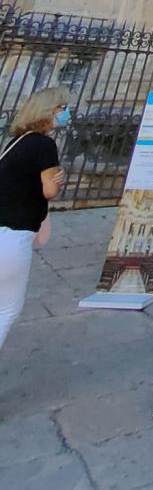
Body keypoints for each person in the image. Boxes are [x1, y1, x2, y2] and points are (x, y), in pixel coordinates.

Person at [0, 86, 69, 351]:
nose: (65, 113)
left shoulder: (17, 142)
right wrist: (58, 180)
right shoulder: (43, 144)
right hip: (13, 235)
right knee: (6, 311)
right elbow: (49, 189)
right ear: (48, 112)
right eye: (62, 108)